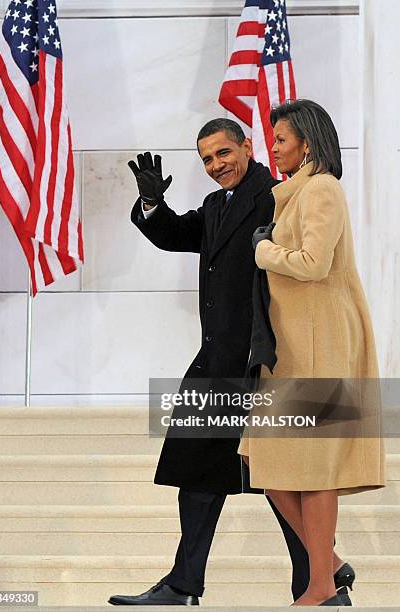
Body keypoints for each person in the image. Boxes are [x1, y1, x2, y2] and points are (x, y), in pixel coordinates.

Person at [108, 118, 352, 607]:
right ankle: (185, 584)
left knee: (279, 475)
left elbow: (308, 264)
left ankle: (321, 583)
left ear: (246, 146)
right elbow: (178, 234)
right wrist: (153, 205)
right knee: (199, 470)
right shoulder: (217, 204)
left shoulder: (276, 195)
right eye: (206, 160)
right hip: (216, 358)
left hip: (262, 360)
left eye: (223, 153)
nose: (215, 166)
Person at [239, 99, 386, 606]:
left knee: (314, 467)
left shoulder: (321, 188)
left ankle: (321, 585)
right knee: (271, 466)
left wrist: (263, 251)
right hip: (292, 347)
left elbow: (313, 263)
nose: (273, 147)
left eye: (280, 139)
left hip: (321, 342)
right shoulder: (295, 193)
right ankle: (334, 564)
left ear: (306, 141)